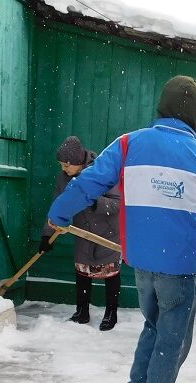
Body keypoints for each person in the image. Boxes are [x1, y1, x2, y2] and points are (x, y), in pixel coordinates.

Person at [47, 76, 196, 383]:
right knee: (173, 338)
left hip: (140, 259)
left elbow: (89, 182)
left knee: (153, 325)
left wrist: (59, 215)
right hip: (180, 262)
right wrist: (179, 245)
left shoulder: (128, 144)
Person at [40, 136, 124, 331]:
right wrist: (47, 235)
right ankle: (82, 312)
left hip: (107, 234)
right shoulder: (63, 179)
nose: (63, 169)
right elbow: (58, 207)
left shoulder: (102, 172)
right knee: (83, 273)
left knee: (111, 275)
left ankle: (111, 313)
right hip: (83, 232)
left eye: (65, 166)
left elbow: (118, 204)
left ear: (76, 163)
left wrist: (96, 202)